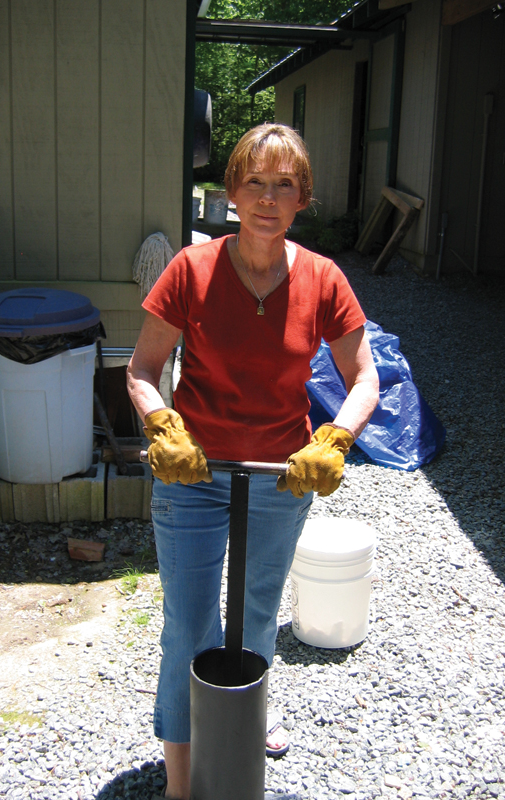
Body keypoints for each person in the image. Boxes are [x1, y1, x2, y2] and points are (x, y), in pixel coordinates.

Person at [126, 123, 379, 800]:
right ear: (232, 192)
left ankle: (241, 730)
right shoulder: (192, 268)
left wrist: (336, 438)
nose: (268, 197)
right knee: (189, 624)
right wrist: (162, 424)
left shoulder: (323, 278)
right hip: (194, 473)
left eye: (285, 184)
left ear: (304, 198)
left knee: (259, 610)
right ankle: (183, 783)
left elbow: (364, 378)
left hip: (280, 475)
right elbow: (144, 368)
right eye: (255, 182)